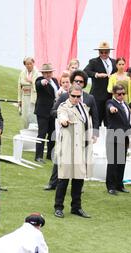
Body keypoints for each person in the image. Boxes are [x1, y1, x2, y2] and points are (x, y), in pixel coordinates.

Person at [45, 70, 98, 191]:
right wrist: (63, 118)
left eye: (81, 81)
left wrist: (95, 133)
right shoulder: (65, 96)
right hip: (67, 133)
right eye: (76, 81)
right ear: (72, 81)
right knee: (60, 157)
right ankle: (53, 183)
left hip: (83, 135)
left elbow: (95, 116)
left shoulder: (90, 98)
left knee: (81, 160)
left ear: (84, 83)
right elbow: (53, 111)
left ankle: (78, 185)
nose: (78, 83)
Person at [54, 85, 94, 219]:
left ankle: (76, 207)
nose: (76, 99)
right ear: (69, 95)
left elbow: (87, 123)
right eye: (73, 96)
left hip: (81, 146)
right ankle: (58, 207)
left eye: (78, 96)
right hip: (68, 147)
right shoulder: (64, 106)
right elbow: (62, 116)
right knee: (64, 178)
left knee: (79, 178)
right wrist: (64, 122)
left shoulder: (83, 107)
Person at [105, 85, 131, 196]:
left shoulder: (125, 104)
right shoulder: (110, 102)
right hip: (114, 136)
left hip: (124, 136)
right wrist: (112, 109)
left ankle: (119, 185)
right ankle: (111, 186)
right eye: (119, 94)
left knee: (122, 162)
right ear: (114, 94)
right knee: (113, 162)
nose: (121, 96)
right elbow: (109, 107)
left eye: (123, 94)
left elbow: (127, 122)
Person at [84, 41, 117, 126]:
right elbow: (86, 72)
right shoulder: (94, 61)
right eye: (101, 52)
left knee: (109, 120)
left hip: (110, 95)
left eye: (106, 52)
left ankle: (108, 138)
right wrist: (96, 75)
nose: (104, 54)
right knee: (96, 119)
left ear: (109, 52)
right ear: (99, 52)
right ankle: (95, 137)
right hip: (98, 95)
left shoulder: (114, 62)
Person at [35, 63, 59, 163]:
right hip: (43, 112)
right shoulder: (40, 80)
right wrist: (43, 82)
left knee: (52, 134)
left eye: (50, 72)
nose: (48, 74)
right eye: (46, 73)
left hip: (53, 111)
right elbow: (38, 85)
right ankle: (38, 156)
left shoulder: (55, 80)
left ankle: (50, 155)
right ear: (43, 73)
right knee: (42, 133)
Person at [18, 57, 40, 129]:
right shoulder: (22, 73)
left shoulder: (37, 73)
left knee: (32, 115)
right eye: (27, 64)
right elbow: (19, 86)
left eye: (30, 63)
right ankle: (25, 130)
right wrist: (19, 100)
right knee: (25, 117)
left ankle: (34, 131)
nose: (29, 65)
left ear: (33, 63)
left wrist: (31, 81)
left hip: (33, 97)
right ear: (25, 65)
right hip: (24, 97)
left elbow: (38, 85)